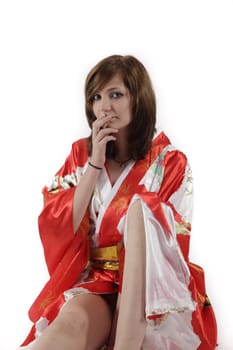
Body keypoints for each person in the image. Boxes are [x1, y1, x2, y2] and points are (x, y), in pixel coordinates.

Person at [18, 54, 217, 350]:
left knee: (143, 208)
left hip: (151, 294)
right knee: (71, 323)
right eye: (96, 97)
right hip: (97, 282)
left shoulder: (170, 161)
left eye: (116, 95)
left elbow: (172, 244)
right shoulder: (81, 155)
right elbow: (57, 224)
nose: (104, 106)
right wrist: (94, 164)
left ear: (139, 98)